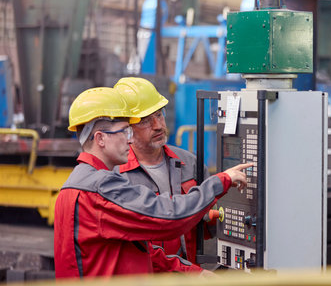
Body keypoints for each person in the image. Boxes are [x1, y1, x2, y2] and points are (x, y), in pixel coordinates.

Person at [54, 87, 250, 278]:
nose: (129, 141)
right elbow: (168, 217)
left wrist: (191, 273)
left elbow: (143, 250)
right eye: (124, 132)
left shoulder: (74, 186)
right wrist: (220, 181)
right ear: (100, 139)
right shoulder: (100, 188)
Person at [113, 77, 213, 266]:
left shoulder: (189, 162)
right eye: (145, 120)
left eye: (159, 115)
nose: (158, 125)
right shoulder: (117, 176)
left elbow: (210, 229)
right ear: (126, 129)